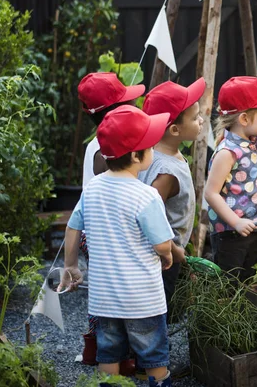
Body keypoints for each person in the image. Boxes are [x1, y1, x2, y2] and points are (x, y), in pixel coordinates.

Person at [59, 105, 175, 387]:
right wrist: (168, 254)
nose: (153, 150)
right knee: (154, 358)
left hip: (104, 300)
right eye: (149, 146)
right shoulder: (146, 195)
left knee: (107, 355)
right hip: (143, 300)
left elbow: (73, 227)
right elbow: (162, 243)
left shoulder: (93, 188)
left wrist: (71, 265)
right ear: (136, 155)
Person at [76, 72, 145, 367]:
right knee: (119, 292)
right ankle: (119, 353)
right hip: (105, 230)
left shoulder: (97, 144)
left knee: (104, 290)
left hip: (94, 228)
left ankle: (98, 347)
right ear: (114, 112)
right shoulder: (106, 151)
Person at [204, 76, 257, 281]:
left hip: (252, 228)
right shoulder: (227, 152)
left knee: (248, 284)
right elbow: (211, 193)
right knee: (229, 287)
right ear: (245, 119)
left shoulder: (249, 141)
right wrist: (236, 222)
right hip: (231, 234)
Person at [139, 78, 205, 318]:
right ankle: (153, 353)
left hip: (165, 250)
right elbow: (150, 212)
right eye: (195, 117)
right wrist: (175, 251)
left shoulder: (154, 154)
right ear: (174, 130)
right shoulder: (166, 173)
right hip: (163, 255)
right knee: (158, 311)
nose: (201, 120)